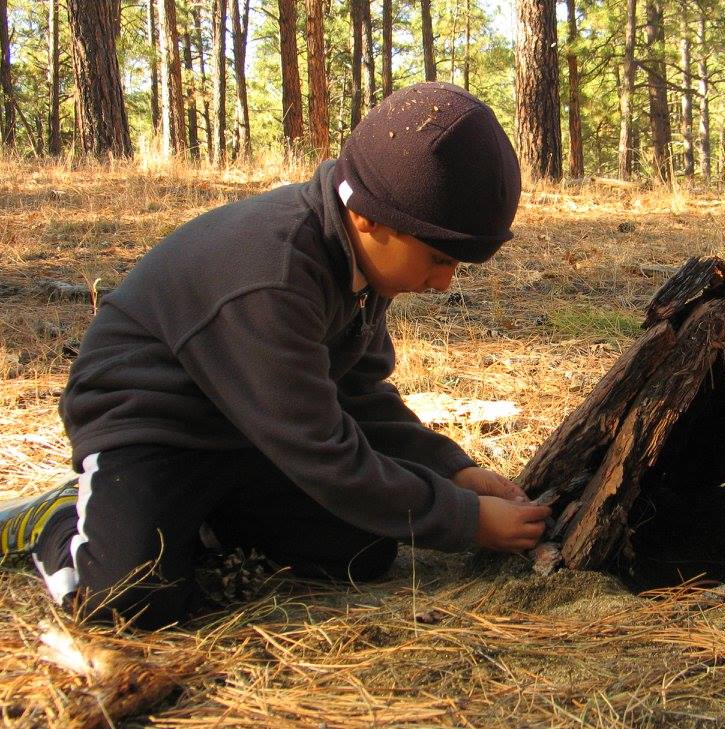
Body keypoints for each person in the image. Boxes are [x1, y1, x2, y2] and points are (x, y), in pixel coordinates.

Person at [0, 83, 551, 629]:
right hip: (154, 425)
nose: (444, 281)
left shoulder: (362, 262)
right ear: (370, 217)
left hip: (252, 431)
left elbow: (358, 397)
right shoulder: (275, 276)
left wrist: (452, 469)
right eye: (436, 258)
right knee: (130, 600)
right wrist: (467, 520)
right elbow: (322, 452)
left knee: (364, 547)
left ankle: (200, 522)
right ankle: (60, 520)